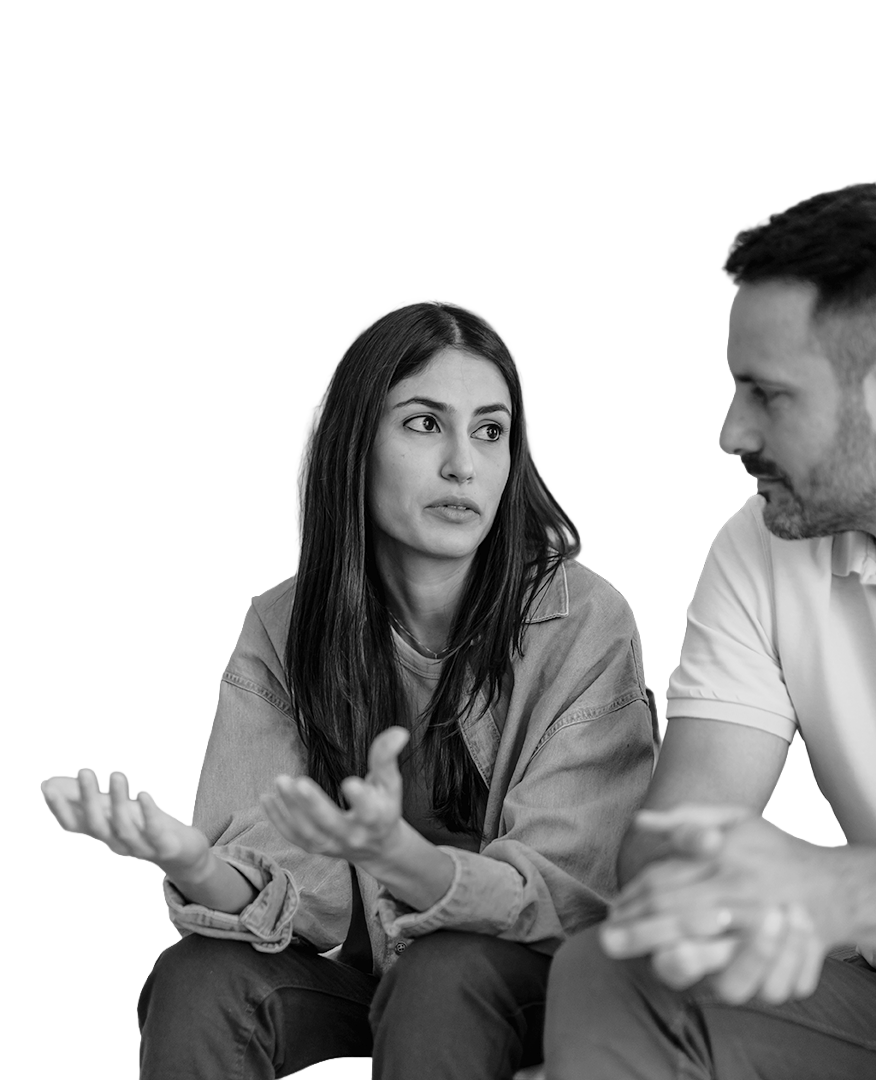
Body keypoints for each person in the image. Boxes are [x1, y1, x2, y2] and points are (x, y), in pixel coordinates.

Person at [44, 300, 655, 1080]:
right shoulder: (284, 625)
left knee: (443, 972)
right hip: (379, 984)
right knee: (197, 975)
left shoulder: (584, 621)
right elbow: (299, 897)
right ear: (355, 444)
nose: (463, 465)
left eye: (489, 431)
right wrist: (193, 863)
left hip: (539, 980)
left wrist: (401, 857)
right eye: (425, 424)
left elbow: (567, 898)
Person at [543, 181, 876, 1079]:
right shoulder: (763, 544)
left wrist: (839, 888)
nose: (734, 431)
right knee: (615, 972)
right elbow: (679, 826)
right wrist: (708, 891)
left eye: (770, 396)